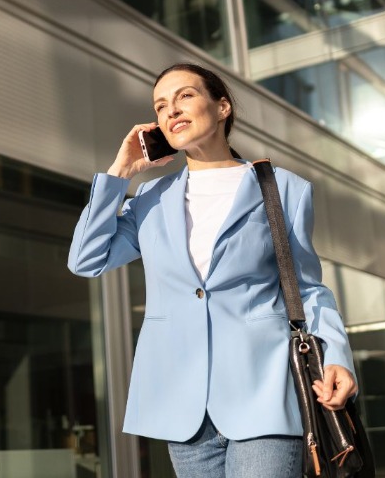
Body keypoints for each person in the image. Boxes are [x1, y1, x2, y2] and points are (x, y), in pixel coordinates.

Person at [67, 63, 357, 477]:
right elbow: (85, 259)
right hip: (183, 404)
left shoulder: (283, 189)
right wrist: (120, 174)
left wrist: (338, 355)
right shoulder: (152, 198)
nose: (172, 110)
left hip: (264, 390)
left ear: (222, 107)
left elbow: (308, 288)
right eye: (161, 105)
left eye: (184, 96)